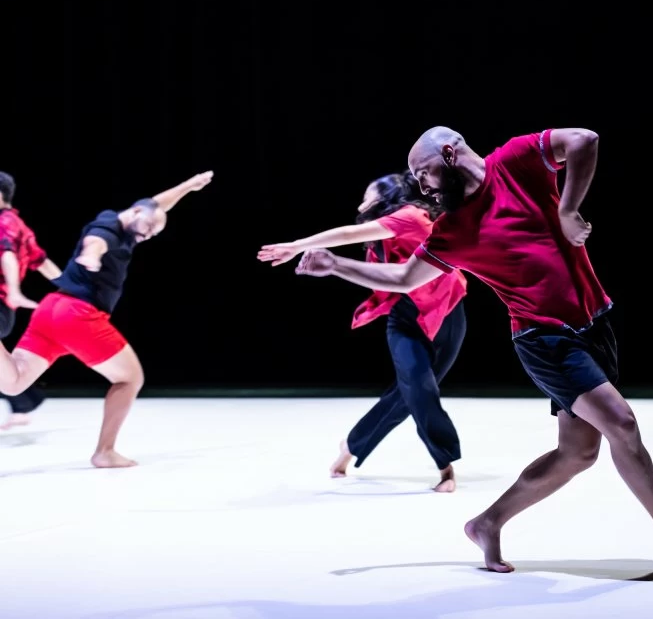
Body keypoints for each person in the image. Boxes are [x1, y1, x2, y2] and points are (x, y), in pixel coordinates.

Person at [294, 126, 653, 571]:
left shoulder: (516, 162)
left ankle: (488, 522)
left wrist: (568, 209)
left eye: (423, 173)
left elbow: (584, 139)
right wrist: (335, 264)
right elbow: (405, 279)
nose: (422, 186)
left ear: (449, 154)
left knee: (578, 453)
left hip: (594, 323)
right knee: (621, 423)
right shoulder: (452, 230)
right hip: (544, 339)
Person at [258, 171, 468, 492]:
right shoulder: (380, 235)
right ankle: (445, 466)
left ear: (386, 198)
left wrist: (297, 245)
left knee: (412, 392)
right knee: (415, 387)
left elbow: (346, 235)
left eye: (368, 195)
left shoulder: (411, 217)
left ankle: (352, 445)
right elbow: (377, 273)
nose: (361, 202)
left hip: (445, 311)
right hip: (405, 315)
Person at [0, 171, 213, 467]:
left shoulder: (134, 223)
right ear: (136, 212)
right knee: (130, 378)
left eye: (151, 234)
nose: (146, 236)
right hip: (78, 315)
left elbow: (157, 205)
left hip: (51, 310)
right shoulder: (108, 227)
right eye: (147, 229)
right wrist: (92, 256)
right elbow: (95, 241)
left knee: (14, 383)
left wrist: (188, 187)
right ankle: (105, 452)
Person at [0, 171, 65, 429]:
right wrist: (73, 292)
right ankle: (25, 401)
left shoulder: (4, 223)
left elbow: (7, 256)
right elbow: (42, 262)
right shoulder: (18, 224)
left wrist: (14, 290)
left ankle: (25, 400)